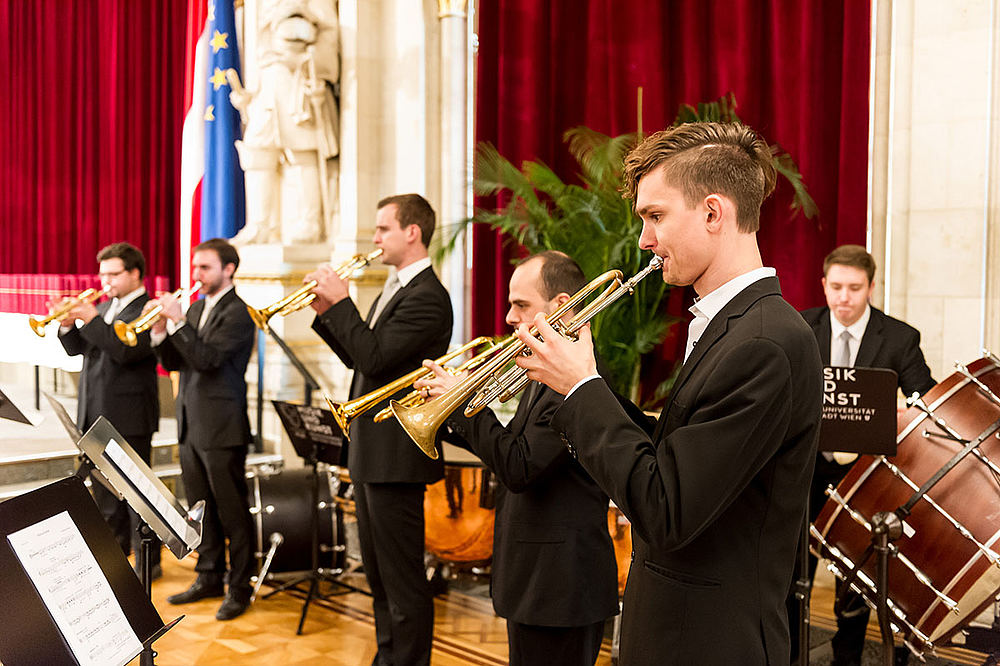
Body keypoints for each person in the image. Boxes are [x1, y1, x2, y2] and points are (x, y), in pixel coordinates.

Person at [511, 122, 824, 665]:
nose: (643, 240)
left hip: (709, 643)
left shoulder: (766, 340)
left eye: (655, 216)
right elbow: (679, 453)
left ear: (712, 213)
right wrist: (578, 386)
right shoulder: (732, 324)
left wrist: (583, 389)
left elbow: (666, 508)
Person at [414, 251, 619, 666]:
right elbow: (512, 449)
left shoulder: (574, 381)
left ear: (561, 307)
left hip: (560, 586)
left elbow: (519, 467)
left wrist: (462, 401)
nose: (508, 317)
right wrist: (452, 415)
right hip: (538, 581)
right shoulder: (545, 371)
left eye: (521, 305)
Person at [307, 193, 453, 665]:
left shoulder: (429, 296)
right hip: (372, 452)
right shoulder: (396, 287)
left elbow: (372, 357)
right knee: (377, 576)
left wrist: (342, 302)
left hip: (397, 458)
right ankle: (387, 656)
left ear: (412, 232)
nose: (374, 239)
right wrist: (327, 311)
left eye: (383, 229)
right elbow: (362, 357)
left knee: (403, 580)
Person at [791, 244, 936, 666]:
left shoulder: (899, 337)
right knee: (791, 570)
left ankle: (846, 656)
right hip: (808, 468)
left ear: (871, 287)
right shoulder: (802, 327)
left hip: (863, 474)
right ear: (823, 285)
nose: (844, 298)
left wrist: (899, 409)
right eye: (836, 287)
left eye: (855, 288)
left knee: (852, 577)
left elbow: (925, 398)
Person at [150, 238, 257, 621]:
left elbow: (208, 360)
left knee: (233, 511)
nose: (197, 275)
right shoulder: (196, 308)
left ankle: (240, 587)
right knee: (201, 510)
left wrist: (178, 322)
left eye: (205, 267)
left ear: (229, 269)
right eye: (195, 267)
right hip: (191, 423)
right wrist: (162, 331)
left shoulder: (241, 313)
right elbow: (176, 362)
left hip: (223, 426)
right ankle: (208, 576)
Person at [58, 241, 162, 579]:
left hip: (129, 417)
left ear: (134, 274)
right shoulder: (104, 308)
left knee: (136, 496)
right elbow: (79, 351)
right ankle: (115, 557)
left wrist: (91, 319)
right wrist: (67, 324)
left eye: (114, 274)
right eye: (103, 274)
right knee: (105, 495)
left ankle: (148, 564)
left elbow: (126, 353)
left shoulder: (148, 309)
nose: (106, 281)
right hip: (95, 413)